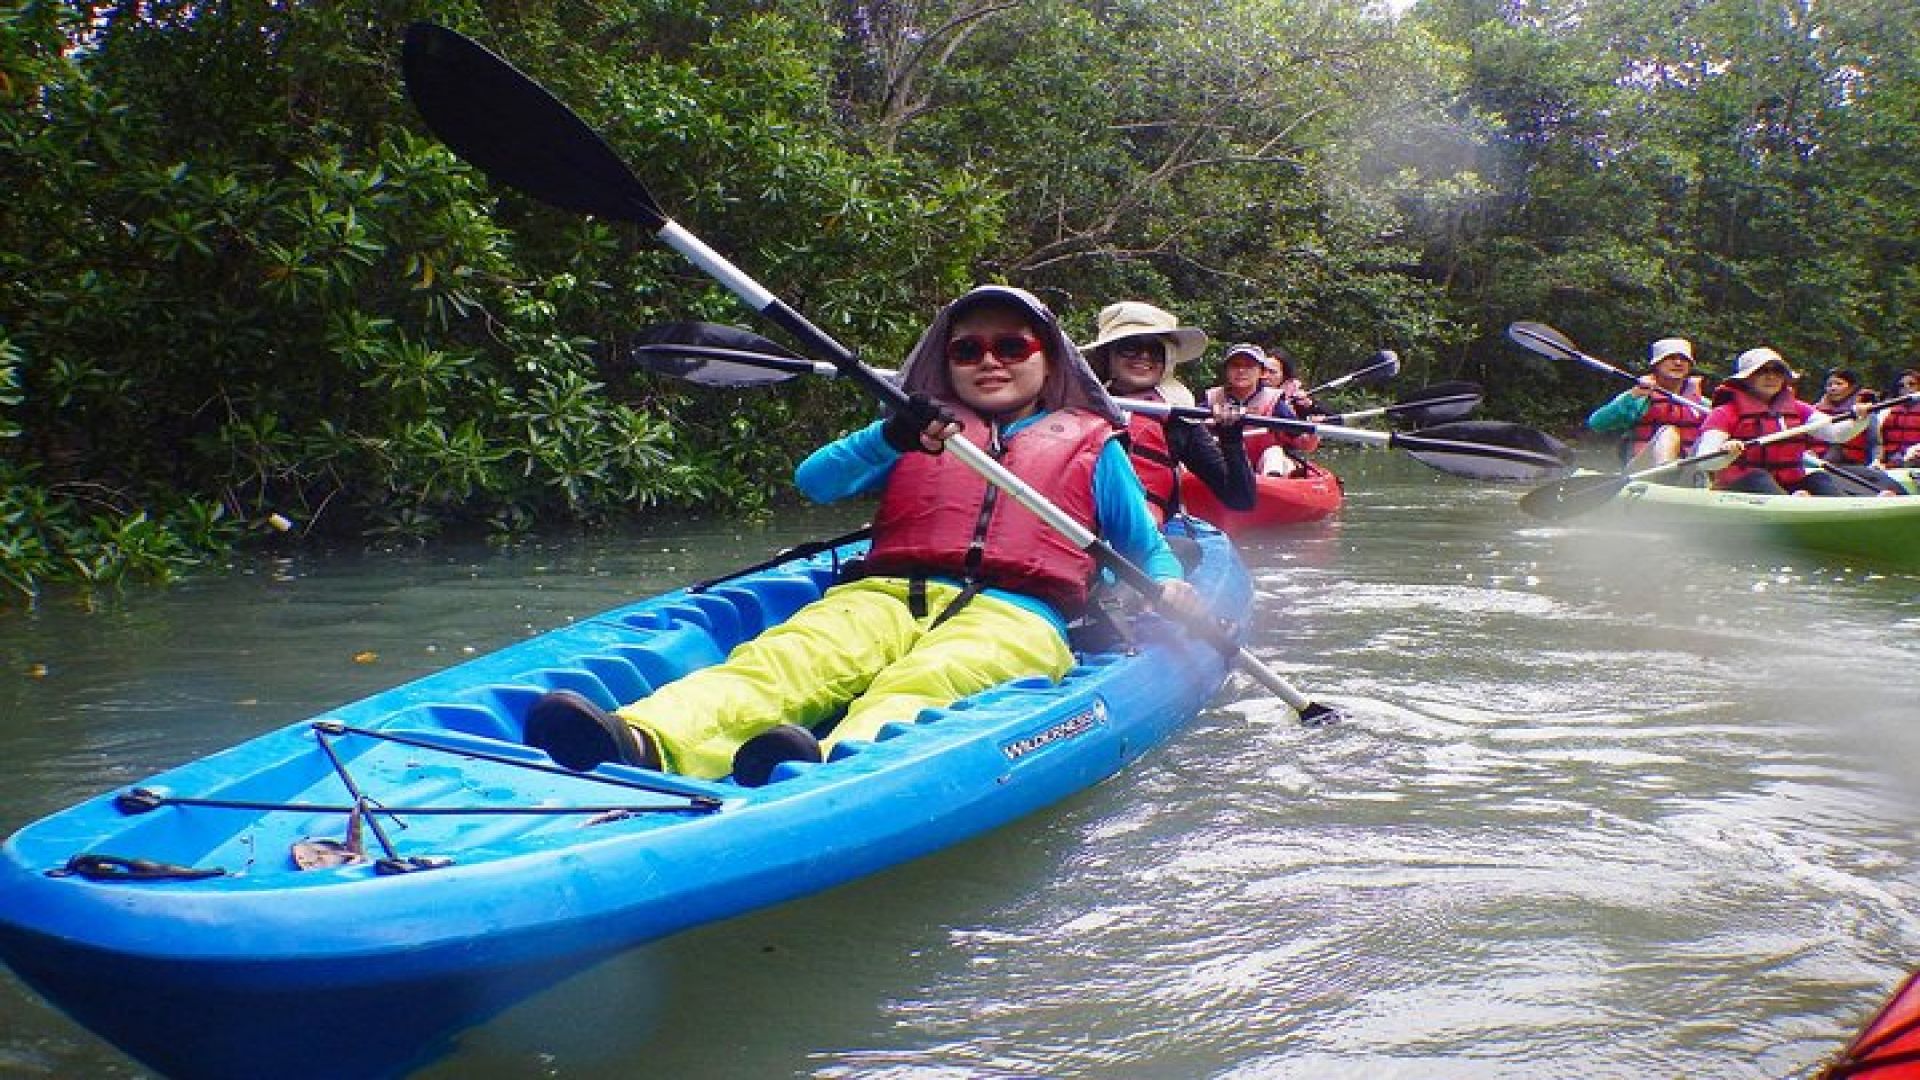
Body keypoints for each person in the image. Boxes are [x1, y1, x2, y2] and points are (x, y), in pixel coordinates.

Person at [523, 286, 1205, 786]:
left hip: (1016, 615)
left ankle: (824, 767)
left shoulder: (1092, 443)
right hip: (884, 594)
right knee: (787, 659)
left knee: (937, 678)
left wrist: (1170, 584)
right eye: (968, 349)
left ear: (1048, 360)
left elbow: (1142, 548)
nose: (989, 361)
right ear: (948, 361)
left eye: (1011, 346)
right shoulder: (917, 426)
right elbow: (815, 481)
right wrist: (888, 435)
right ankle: (644, 739)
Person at [1081, 301, 1255, 522]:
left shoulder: (1178, 421)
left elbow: (1240, 499)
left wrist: (1231, 438)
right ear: (1108, 355)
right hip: (1078, 529)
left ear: (1167, 359)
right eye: (1131, 347)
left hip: (1146, 534)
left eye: (1155, 350)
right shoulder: (1077, 406)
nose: (1144, 356)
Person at [1695, 347, 1871, 496]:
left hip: (1788, 484)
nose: (1771, 377)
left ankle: (1844, 509)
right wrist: (1727, 452)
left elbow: (1836, 433)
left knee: (1819, 478)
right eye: (1762, 371)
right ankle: (1795, 505)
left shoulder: (1799, 409)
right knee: (1758, 477)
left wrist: (1860, 419)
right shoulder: (1724, 413)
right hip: (1740, 488)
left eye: (1777, 371)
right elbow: (1705, 460)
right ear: (1746, 378)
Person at [1584, 337, 1707, 467]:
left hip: (1689, 470)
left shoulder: (1701, 404)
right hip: (1644, 470)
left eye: (1684, 359)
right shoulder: (1639, 397)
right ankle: (1665, 472)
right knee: (1668, 433)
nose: (1678, 363)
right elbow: (1597, 423)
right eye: (1671, 358)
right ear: (1657, 364)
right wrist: (1631, 397)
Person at [1208, 343, 1319, 476]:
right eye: (1235, 365)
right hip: (1222, 464)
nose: (1241, 370)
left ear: (1262, 372)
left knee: (1274, 452)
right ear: (1226, 370)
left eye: (1249, 366)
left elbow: (1304, 444)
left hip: (1262, 467)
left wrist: (1313, 432)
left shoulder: (1274, 402)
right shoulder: (1212, 398)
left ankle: (1272, 481)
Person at [1813, 367, 1876, 465]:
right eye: (1829, 385)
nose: (1833, 388)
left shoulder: (1864, 410)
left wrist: (1875, 462)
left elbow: (1874, 441)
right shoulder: (1814, 410)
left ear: (1851, 387)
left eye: (1839, 384)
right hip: (1815, 460)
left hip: (1852, 463)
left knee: (1836, 448)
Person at [1873, 369, 1920, 468]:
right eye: (1901, 386)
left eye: (1912, 384)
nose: (1906, 388)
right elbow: (1878, 441)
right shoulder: (1887, 411)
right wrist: (1878, 458)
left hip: (1915, 460)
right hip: (1891, 460)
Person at [1259, 346, 1319, 418]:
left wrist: (1310, 405)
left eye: (1272, 372)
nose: (1265, 376)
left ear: (1285, 375)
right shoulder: (1251, 389)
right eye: (1263, 370)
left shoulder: (1297, 396)